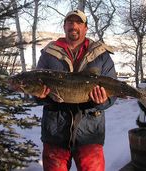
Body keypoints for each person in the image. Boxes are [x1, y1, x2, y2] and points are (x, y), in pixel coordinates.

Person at [36, 9, 117, 171]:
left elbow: (113, 93)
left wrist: (102, 101)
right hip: (55, 132)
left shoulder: (101, 55)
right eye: (70, 22)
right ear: (64, 26)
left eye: (79, 22)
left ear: (86, 28)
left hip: (90, 133)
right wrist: (42, 96)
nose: (74, 25)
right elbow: (36, 92)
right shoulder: (48, 53)